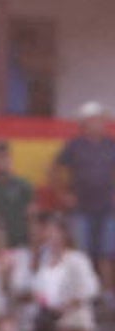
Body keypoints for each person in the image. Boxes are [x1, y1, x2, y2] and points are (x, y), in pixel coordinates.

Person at [53, 101, 115, 290]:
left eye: (100, 120)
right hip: (81, 208)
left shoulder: (111, 145)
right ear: (85, 123)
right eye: (93, 120)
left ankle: (108, 297)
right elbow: (55, 170)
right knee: (82, 255)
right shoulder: (74, 146)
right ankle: (85, 294)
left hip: (108, 208)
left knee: (107, 254)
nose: (98, 124)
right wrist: (63, 194)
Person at [28, 213, 102, 331]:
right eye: (48, 232)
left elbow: (90, 289)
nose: (50, 236)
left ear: (64, 234)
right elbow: (38, 288)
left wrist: (66, 307)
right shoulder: (44, 261)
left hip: (74, 322)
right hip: (49, 322)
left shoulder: (77, 259)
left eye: (54, 231)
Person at [0, 140, 35, 249]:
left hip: (21, 245)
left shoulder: (23, 186)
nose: (0, 162)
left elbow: (32, 220)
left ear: (10, 158)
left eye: (3, 158)